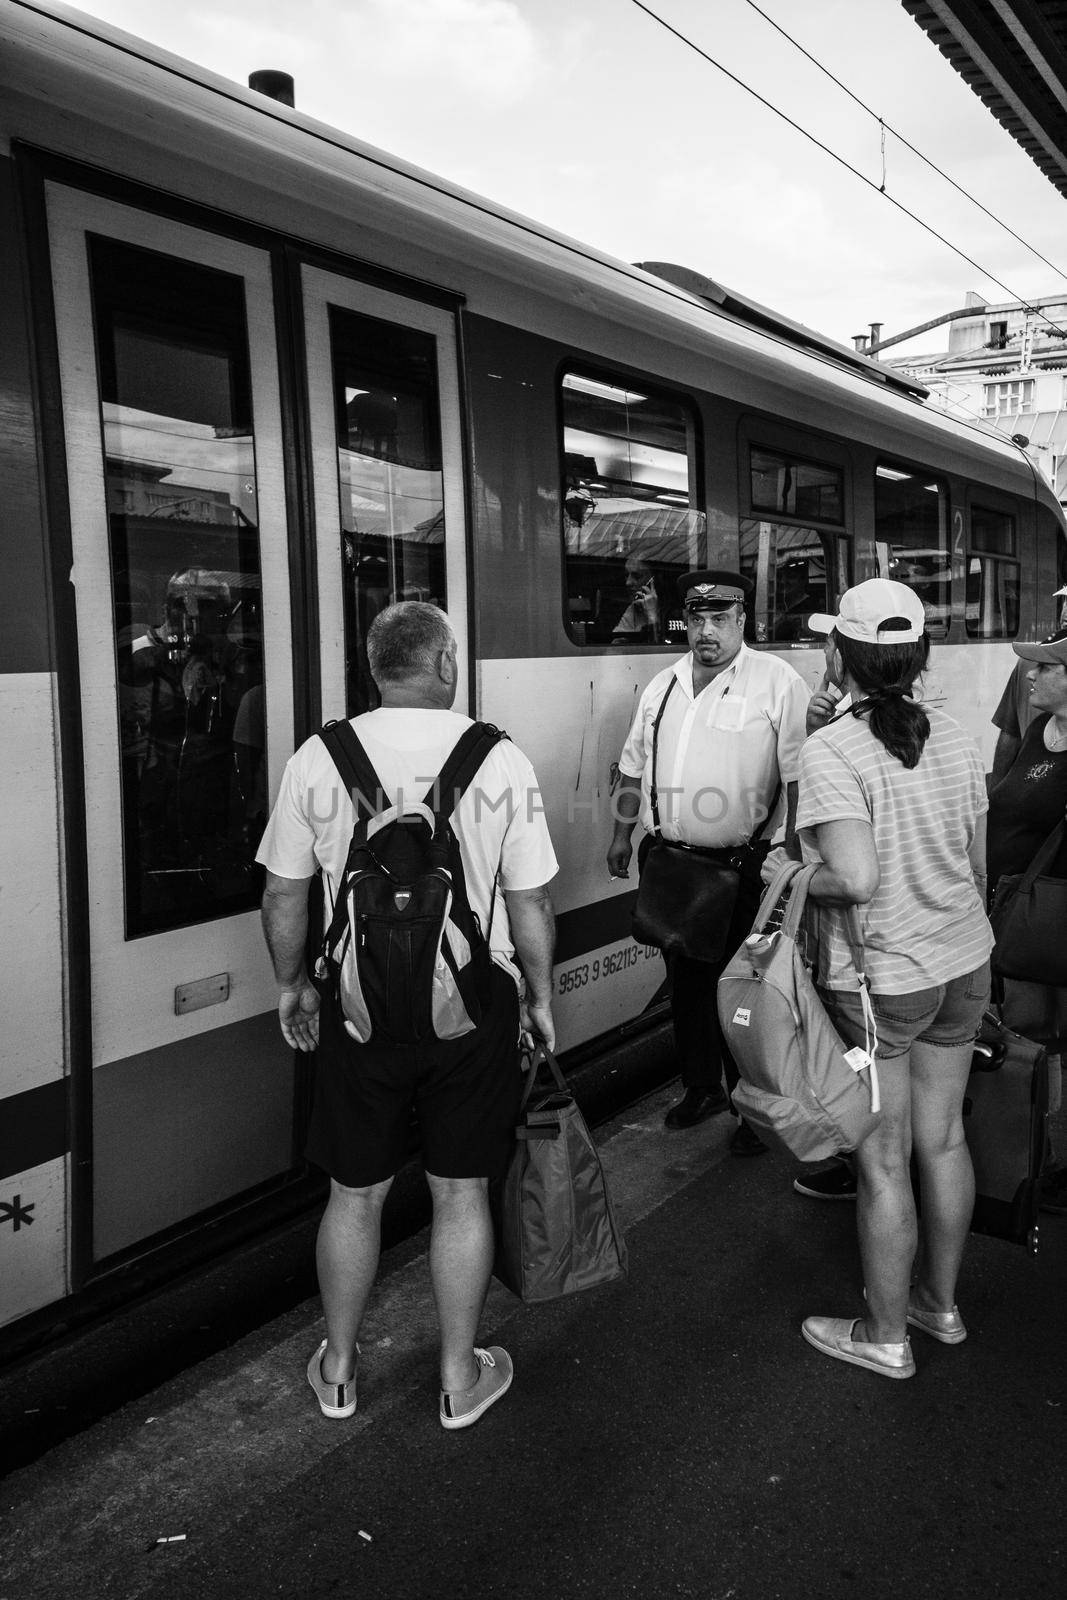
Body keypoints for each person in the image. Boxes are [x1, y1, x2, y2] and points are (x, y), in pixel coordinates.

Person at [256, 602, 558, 1428]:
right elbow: (528, 900)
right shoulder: (497, 759)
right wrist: (537, 997)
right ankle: (459, 1380)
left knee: (353, 1196)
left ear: (373, 665)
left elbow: (284, 891)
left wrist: (295, 985)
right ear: (447, 662)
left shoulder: (319, 758)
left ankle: (342, 1371)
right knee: (459, 1191)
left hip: (356, 1013)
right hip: (474, 1011)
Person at [795, 579, 992, 1379]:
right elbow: (978, 866)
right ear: (916, 657)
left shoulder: (831, 749)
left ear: (840, 654)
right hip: (962, 962)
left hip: (882, 979)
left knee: (882, 1162)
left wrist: (793, 876)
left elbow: (855, 877)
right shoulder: (953, 734)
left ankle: (882, 1335)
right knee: (942, 1141)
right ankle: (937, 1307)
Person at [606, 568, 809, 1147]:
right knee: (688, 988)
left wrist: (792, 853)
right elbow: (631, 765)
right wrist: (621, 836)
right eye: (697, 619)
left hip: (742, 867)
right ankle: (703, 1087)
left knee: (744, 991)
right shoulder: (663, 685)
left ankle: (754, 1108)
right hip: (671, 863)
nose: (706, 632)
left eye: (720, 619)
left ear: (742, 619)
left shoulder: (776, 682)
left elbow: (797, 778)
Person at [987, 625, 1067, 1215]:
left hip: (1057, 915)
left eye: (1043, 667)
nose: (1030, 675)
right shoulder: (1041, 731)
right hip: (1025, 912)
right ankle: (1039, 1161)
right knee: (1036, 1036)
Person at [990, 584, 1067, 784]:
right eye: (1065, 601)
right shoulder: (1027, 664)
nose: (1065, 611)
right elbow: (1011, 732)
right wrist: (996, 795)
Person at [611, 556, 661, 644]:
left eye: (637, 576)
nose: (628, 583)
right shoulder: (634, 608)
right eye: (627, 576)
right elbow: (616, 643)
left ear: (652, 580)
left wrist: (652, 615)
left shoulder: (676, 610)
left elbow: (661, 650)